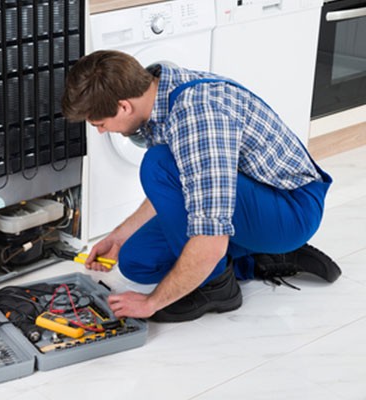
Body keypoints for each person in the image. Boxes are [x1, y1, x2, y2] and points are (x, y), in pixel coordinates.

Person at [61, 50, 341, 323]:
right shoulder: (158, 93)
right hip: (250, 197)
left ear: (124, 106)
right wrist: (120, 235)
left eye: (100, 123)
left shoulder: (197, 117)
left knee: (157, 164)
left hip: (291, 208)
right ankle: (258, 258)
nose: (100, 130)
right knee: (137, 261)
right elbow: (185, 184)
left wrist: (152, 302)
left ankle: (217, 288)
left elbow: (211, 233)